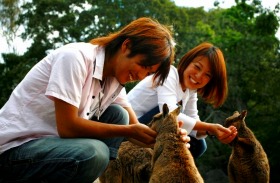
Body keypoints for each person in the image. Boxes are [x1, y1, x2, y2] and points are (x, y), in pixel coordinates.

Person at [0, 17, 190, 183]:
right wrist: (129, 130)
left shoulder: (114, 80)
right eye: (142, 65)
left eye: (147, 73)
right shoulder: (75, 58)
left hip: (50, 149)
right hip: (13, 150)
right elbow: (67, 127)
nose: (140, 75)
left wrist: (168, 139)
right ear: (126, 46)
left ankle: (95, 176)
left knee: (118, 115)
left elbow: (135, 130)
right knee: (94, 152)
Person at [127, 42, 238, 159]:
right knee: (169, 115)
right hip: (132, 124)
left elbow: (194, 124)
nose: (199, 76)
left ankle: (164, 170)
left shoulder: (190, 91)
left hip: (152, 126)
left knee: (198, 145)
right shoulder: (169, 73)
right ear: (187, 61)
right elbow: (168, 113)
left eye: (207, 75)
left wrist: (213, 131)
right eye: (197, 67)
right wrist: (210, 127)